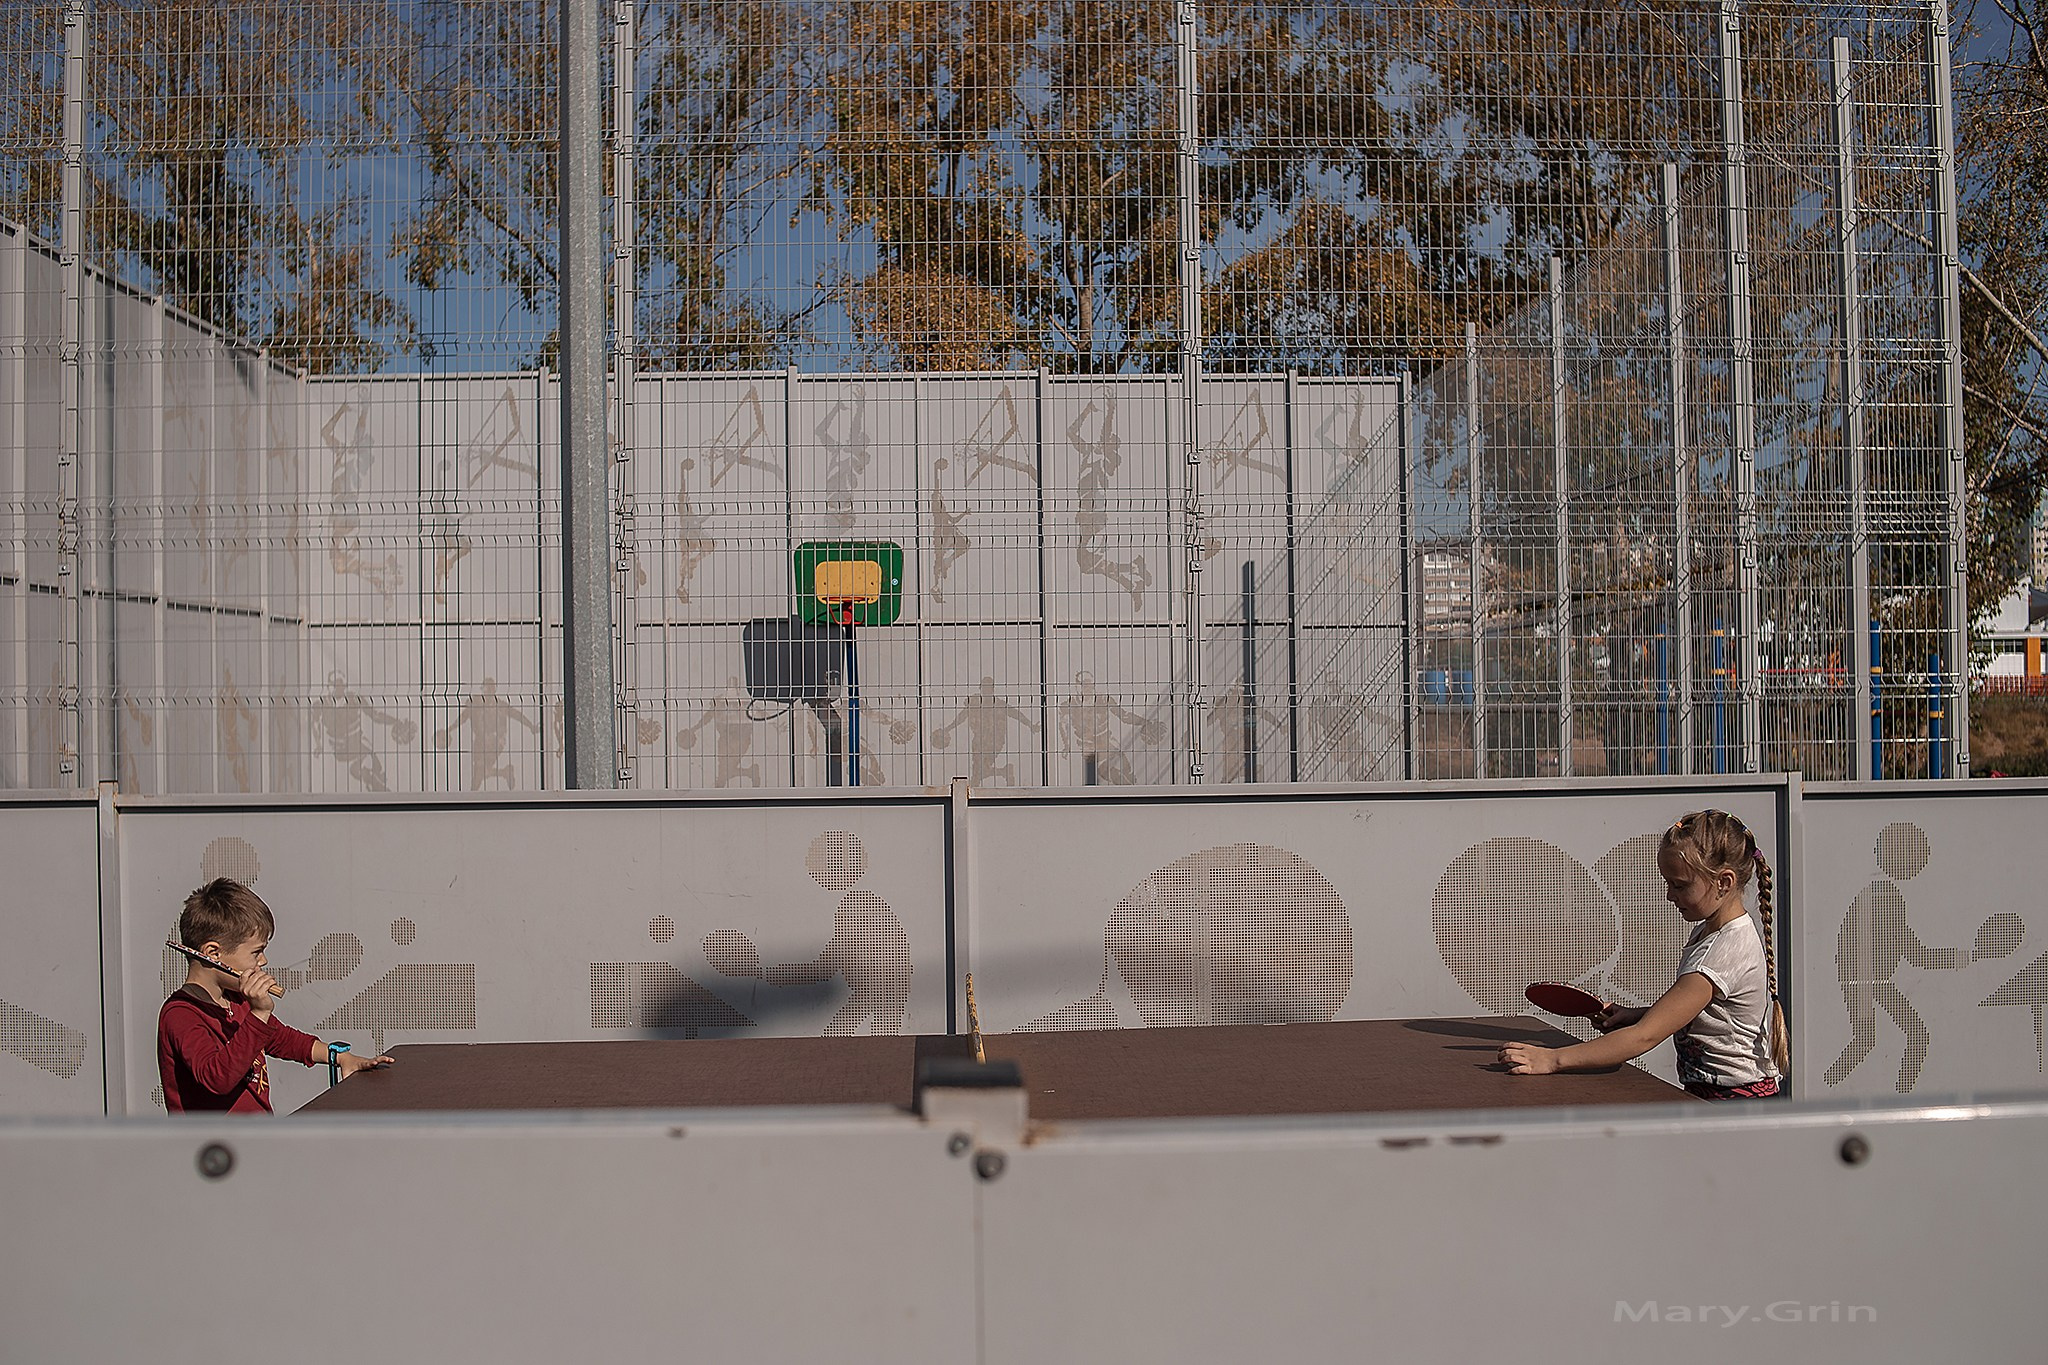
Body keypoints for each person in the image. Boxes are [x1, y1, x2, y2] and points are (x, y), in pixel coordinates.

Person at [1499, 810, 1790, 1100]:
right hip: (1720, 1094)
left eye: (1679, 885)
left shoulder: (1723, 951)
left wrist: (1552, 1059)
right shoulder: (1712, 931)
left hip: (1737, 1104)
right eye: (1667, 883)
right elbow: (1700, 1011)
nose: (1669, 895)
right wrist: (1636, 1015)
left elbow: (1645, 1036)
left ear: (1724, 883)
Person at [158, 878, 391, 1113]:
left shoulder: (236, 1000)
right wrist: (259, 1012)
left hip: (257, 1141)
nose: (263, 961)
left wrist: (339, 1057)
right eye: (256, 952)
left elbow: (281, 1038)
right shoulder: (181, 1015)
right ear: (213, 953)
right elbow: (217, 1078)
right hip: (214, 1146)